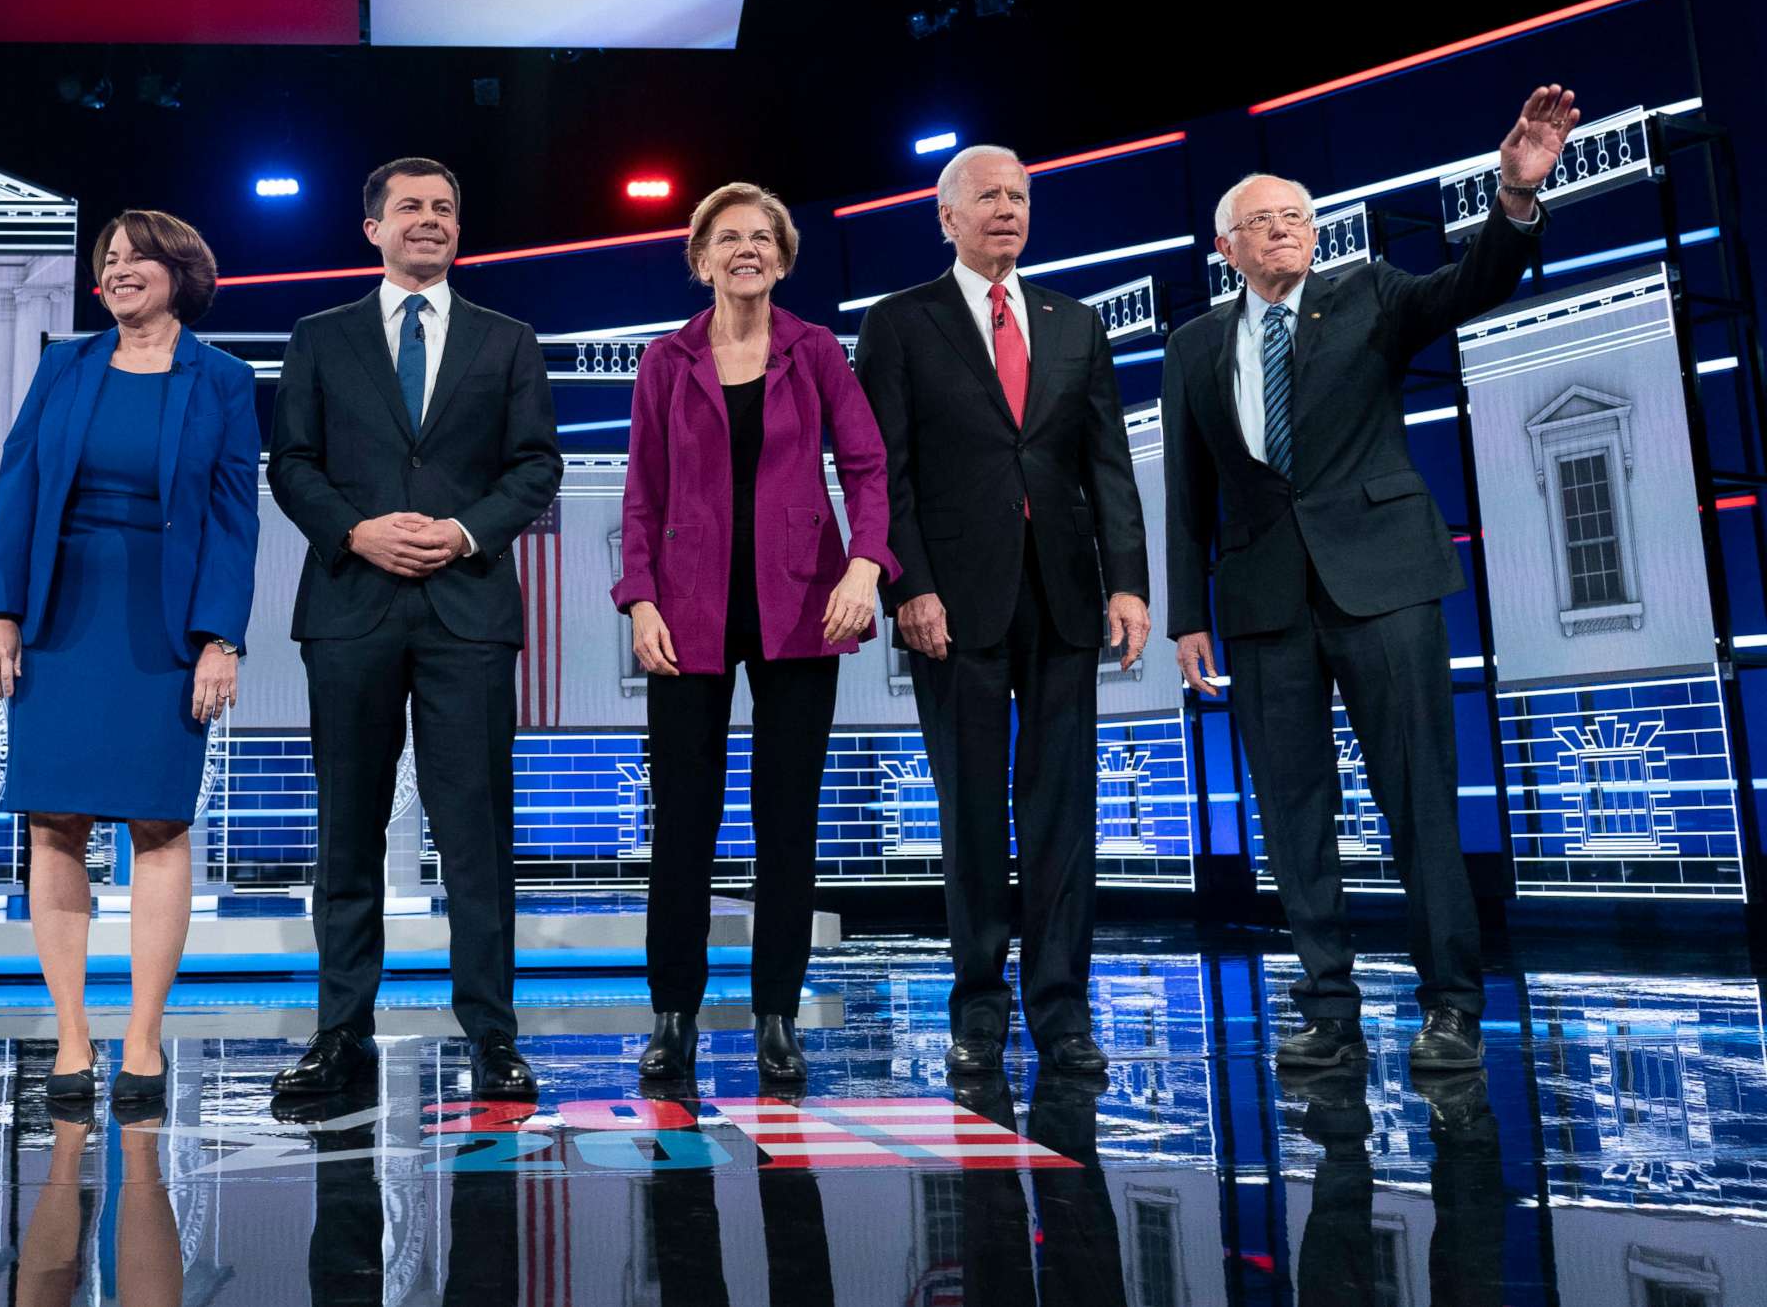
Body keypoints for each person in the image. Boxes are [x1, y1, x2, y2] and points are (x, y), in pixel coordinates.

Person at [1166, 87, 1573, 1074]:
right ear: (1226, 248)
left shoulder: (1372, 292)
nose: (1284, 233)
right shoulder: (1192, 346)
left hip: (1384, 582)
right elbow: (1186, 490)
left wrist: (1514, 197)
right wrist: (1188, 615)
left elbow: (1472, 282)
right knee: (1292, 811)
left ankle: (1451, 1006)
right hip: (1264, 603)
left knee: (1419, 796)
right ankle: (1327, 1006)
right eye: (1262, 223)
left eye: (1297, 217)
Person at [267, 159, 563, 1098]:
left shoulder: (508, 339)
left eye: (444, 207)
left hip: (466, 609)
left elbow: (535, 466)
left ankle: (492, 1039)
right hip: (352, 607)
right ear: (373, 228)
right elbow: (292, 463)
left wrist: (465, 530)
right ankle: (339, 1034)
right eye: (410, 208)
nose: (429, 220)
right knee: (346, 832)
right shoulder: (320, 336)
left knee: (477, 835)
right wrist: (355, 530)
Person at [853, 144, 1150, 1076]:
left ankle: (1063, 1009)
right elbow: (882, 471)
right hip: (954, 602)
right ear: (945, 217)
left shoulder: (1076, 322)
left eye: (1019, 196)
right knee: (972, 811)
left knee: (1063, 809)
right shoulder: (900, 325)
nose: (1007, 210)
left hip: (1062, 596)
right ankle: (978, 1006)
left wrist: (1129, 581)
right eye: (987, 196)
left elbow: (1107, 465)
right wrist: (909, 585)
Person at [0, 211, 259, 1110]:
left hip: (163, 624)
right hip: (62, 617)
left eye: (138, 257)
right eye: (109, 259)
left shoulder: (223, 379)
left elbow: (233, 517)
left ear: (181, 271)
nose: (120, 269)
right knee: (54, 823)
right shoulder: (65, 365)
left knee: (158, 825)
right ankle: (70, 1039)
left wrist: (221, 636)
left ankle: (142, 1039)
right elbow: (18, 486)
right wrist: (0, 613)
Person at [612, 183, 897, 1086]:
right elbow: (642, 495)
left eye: (761, 237)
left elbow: (867, 466)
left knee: (788, 821)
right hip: (687, 613)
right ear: (701, 260)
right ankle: (673, 1018)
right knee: (684, 824)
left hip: (804, 604)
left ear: (782, 256)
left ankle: (777, 1016)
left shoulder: (815, 352)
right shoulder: (666, 359)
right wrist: (639, 600)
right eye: (727, 238)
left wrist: (865, 566)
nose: (746, 250)